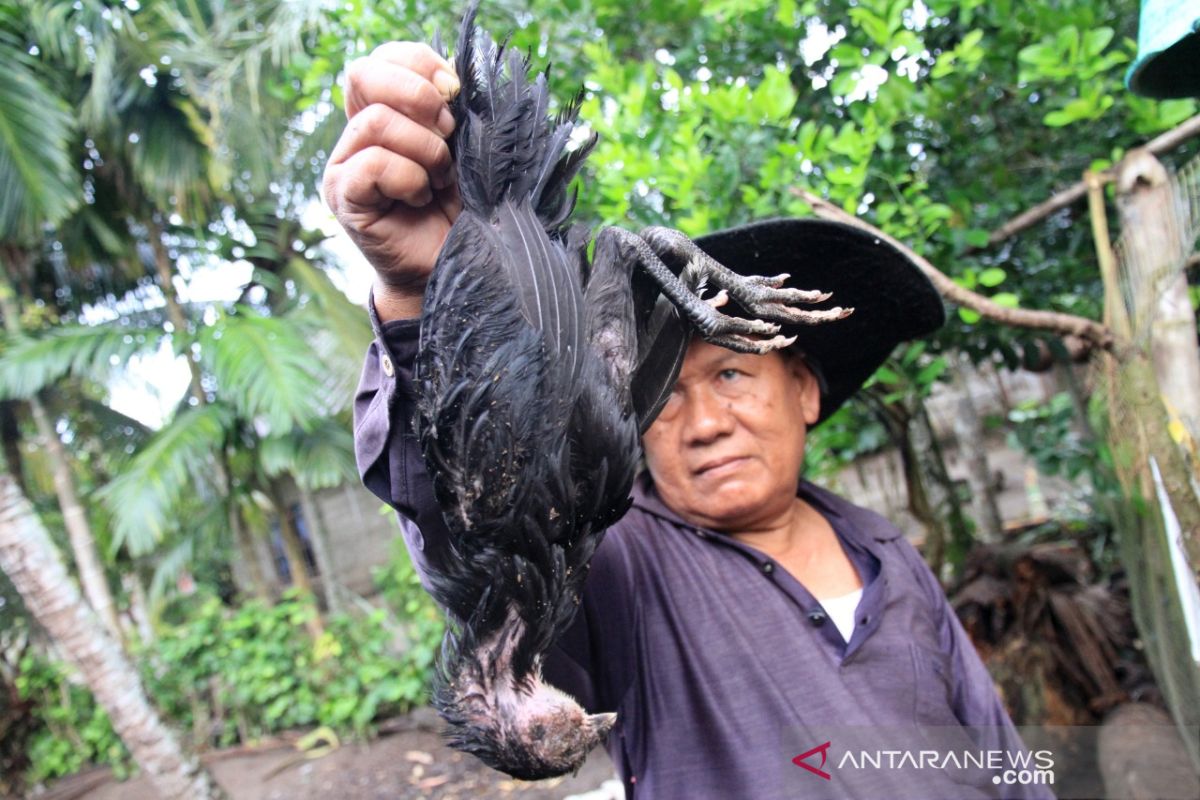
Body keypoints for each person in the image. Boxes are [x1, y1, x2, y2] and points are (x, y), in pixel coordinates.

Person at [323, 42, 1055, 800]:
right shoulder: (613, 566)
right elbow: (458, 523)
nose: (702, 422)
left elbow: (996, 752)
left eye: (732, 372)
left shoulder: (889, 555)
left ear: (804, 391)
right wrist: (428, 299)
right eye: (664, 390)